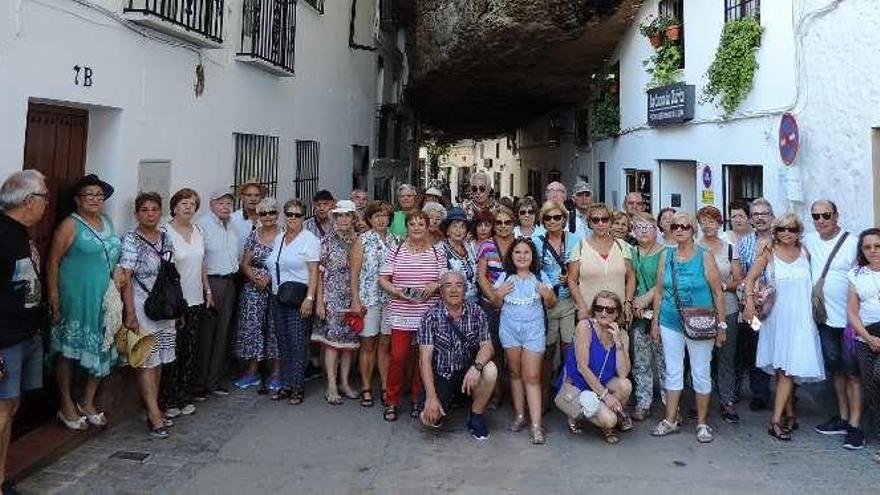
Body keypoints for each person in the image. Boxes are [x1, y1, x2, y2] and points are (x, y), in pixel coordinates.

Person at [46, 174, 121, 430]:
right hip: (75, 297)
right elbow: (53, 261)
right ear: (78, 199)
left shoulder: (108, 222)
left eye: (99, 195)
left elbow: (113, 256)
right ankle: (66, 404)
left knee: (101, 347)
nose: (95, 199)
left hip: (103, 298)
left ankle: (87, 401)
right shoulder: (70, 225)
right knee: (68, 349)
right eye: (89, 195)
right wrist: (54, 297)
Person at [744, 213, 825, 441]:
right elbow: (749, 279)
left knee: (789, 369)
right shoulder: (768, 254)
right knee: (785, 369)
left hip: (801, 320)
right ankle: (776, 421)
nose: (787, 233)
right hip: (776, 320)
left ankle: (788, 414)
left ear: (799, 231)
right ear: (775, 232)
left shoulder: (806, 254)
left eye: (792, 228)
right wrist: (750, 301)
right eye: (782, 229)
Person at [650, 211, 727, 443]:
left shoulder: (705, 256)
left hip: (700, 321)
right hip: (670, 320)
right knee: (673, 371)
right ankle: (670, 419)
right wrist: (655, 321)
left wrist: (721, 325)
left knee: (701, 372)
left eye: (684, 226)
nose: (680, 229)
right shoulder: (667, 256)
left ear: (693, 229)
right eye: (675, 226)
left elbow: (717, 293)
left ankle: (702, 423)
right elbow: (660, 292)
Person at [0, 170, 49, 488]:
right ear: (29, 201)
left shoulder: (21, 232)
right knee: (2, 411)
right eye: (45, 197)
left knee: (10, 407)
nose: (47, 204)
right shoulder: (2, 235)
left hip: (25, 334)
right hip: (5, 341)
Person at [119, 192, 178, 439]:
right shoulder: (132, 240)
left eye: (154, 209)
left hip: (164, 307)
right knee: (146, 361)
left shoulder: (166, 238)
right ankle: (154, 415)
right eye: (145, 210)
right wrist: (130, 312)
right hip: (142, 307)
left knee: (160, 359)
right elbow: (126, 277)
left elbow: (172, 274)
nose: (150, 214)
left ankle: (153, 406)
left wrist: (177, 308)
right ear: (137, 214)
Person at [379, 211, 446, 421]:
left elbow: (446, 280)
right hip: (402, 312)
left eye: (421, 224)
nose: (417, 228)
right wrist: (396, 291)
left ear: (427, 227)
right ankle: (392, 400)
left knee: (422, 359)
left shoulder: (437, 253)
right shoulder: (396, 250)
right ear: (407, 227)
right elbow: (383, 279)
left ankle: (418, 398)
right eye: (413, 224)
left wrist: (435, 285)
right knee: (398, 357)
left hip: (428, 315)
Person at [804, 200, 862, 443]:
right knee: (836, 370)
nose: (821, 220)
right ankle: (842, 416)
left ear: (836, 215)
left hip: (850, 321)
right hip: (825, 320)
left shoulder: (852, 242)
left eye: (826, 215)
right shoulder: (809, 239)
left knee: (854, 373)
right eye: (815, 216)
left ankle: (855, 426)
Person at [417, 271, 497, 441]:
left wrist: (476, 368)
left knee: (490, 370)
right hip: (442, 373)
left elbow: (487, 347)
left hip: (467, 372)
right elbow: (424, 360)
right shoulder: (430, 316)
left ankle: (476, 415)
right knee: (429, 419)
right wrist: (431, 397)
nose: (454, 290)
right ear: (441, 290)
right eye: (448, 285)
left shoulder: (476, 311)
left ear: (465, 289)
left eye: (459, 285)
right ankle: (444, 401)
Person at [491, 238, 556, 444]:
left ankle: (536, 425)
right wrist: (498, 295)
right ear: (511, 256)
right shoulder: (505, 277)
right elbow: (495, 304)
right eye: (517, 252)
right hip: (509, 330)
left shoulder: (540, 277)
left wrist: (548, 296)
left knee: (533, 375)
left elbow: (552, 303)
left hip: (533, 330)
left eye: (526, 252)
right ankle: (520, 415)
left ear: (532, 256)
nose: (522, 256)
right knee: (514, 372)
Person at [160, 188, 211, 419]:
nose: (188, 207)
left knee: (190, 349)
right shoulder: (165, 232)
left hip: (196, 299)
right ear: (174, 206)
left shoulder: (198, 230)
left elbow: (201, 263)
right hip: (174, 301)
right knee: (172, 350)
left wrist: (207, 289)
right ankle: (168, 399)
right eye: (183, 203)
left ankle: (183, 395)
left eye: (192, 203)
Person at [559, 291, 632, 444]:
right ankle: (581, 414)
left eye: (609, 310)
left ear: (617, 313)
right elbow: (582, 367)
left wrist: (618, 343)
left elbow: (623, 373)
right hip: (579, 384)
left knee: (625, 385)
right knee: (611, 420)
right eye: (599, 308)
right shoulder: (585, 327)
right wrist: (606, 396)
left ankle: (599, 414)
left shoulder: (622, 334)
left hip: (602, 381)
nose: (603, 312)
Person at [269, 199, 320, 405]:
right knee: (283, 342)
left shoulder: (310, 239)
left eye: (297, 215)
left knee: (297, 342)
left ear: (303, 217)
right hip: (278, 295)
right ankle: (286, 384)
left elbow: (314, 271)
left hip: (299, 297)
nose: (292, 218)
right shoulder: (279, 238)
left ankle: (297, 387)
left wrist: (310, 298)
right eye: (289, 214)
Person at [696, 206, 743, 424]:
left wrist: (721, 286)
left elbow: (738, 280)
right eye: (703, 221)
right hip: (701, 310)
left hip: (729, 308)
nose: (708, 225)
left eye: (712, 221)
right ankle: (700, 400)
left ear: (719, 224)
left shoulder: (730, 249)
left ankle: (727, 400)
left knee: (726, 357)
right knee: (701, 358)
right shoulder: (694, 248)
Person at [350, 201, 399, 408]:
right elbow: (354, 273)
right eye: (376, 216)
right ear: (369, 219)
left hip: (390, 300)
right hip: (368, 299)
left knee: (385, 345)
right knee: (368, 344)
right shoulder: (363, 240)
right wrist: (355, 299)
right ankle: (367, 387)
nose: (381, 219)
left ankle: (386, 387)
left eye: (384, 215)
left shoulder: (397, 240)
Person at [313, 200, 361, 404]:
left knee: (348, 344)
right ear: (335, 218)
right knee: (332, 345)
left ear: (353, 218)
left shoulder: (359, 240)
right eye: (339, 215)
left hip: (353, 297)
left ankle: (344, 383)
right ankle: (331, 385)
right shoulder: (327, 241)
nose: (343, 219)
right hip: (331, 297)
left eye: (347, 215)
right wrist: (319, 302)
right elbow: (319, 272)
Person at [194, 189, 240, 400]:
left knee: (223, 334)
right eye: (221, 203)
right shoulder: (203, 225)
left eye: (228, 203)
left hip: (229, 281)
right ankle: (201, 383)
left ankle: (214, 380)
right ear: (211, 204)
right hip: (211, 283)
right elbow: (201, 259)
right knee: (207, 335)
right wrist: (207, 289)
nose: (225, 207)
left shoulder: (230, 224)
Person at [533, 200, 579, 404]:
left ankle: (567, 393)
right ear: (543, 221)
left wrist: (571, 275)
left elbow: (580, 269)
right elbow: (533, 270)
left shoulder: (575, 240)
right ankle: (543, 397)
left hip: (569, 301)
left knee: (569, 348)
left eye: (557, 217)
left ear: (564, 219)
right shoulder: (536, 241)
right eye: (548, 218)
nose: (553, 221)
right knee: (548, 350)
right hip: (548, 303)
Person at [233, 198, 280, 392]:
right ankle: (252, 372)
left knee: (275, 330)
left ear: (277, 214)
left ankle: (276, 373)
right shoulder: (254, 235)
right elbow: (245, 263)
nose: (267, 217)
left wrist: (269, 278)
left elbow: (288, 261)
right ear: (259, 216)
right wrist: (255, 278)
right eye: (263, 213)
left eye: (271, 212)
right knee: (253, 329)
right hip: (253, 288)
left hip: (277, 287)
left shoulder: (284, 235)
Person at [568, 203, 635, 325]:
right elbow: (572, 280)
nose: (600, 223)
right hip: (589, 314)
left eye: (604, 219)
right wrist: (581, 306)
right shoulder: (579, 247)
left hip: (616, 314)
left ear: (610, 222)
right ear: (589, 223)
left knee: (619, 343)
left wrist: (628, 303)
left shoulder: (622, 246)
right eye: (595, 220)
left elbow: (630, 277)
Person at [476, 206, 517, 406]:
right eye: (498, 222)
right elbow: (481, 277)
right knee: (494, 349)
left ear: (513, 223)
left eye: (507, 222)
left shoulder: (520, 244)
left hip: (515, 305)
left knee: (512, 350)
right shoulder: (486, 245)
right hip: (490, 304)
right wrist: (494, 299)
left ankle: (513, 392)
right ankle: (496, 392)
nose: (502, 226)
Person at [738, 198, 775, 411]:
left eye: (764, 214)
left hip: (778, 305)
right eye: (755, 215)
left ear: (771, 216)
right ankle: (759, 392)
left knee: (778, 345)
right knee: (755, 345)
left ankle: (786, 392)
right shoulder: (745, 243)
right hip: (754, 307)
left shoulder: (781, 239)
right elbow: (744, 274)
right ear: (751, 219)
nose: (760, 218)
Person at [629, 212, 667, 421]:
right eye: (638, 227)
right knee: (641, 361)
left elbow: (663, 282)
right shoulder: (630, 251)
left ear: (656, 229)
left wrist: (645, 298)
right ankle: (643, 402)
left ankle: (669, 403)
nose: (643, 231)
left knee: (664, 361)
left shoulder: (665, 252)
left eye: (648, 227)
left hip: (661, 312)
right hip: (637, 315)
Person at [847, 228, 880, 460]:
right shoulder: (856, 274)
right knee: (871, 390)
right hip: (865, 336)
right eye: (867, 247)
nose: (872, 251)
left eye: (877, 246)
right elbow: (852, 312)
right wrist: (868, 338)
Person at [439, 207, 478, 304]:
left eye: (462, 226)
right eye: (454, 226)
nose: (458, 230)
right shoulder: (440, 249)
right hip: (452, 302)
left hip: (474, 301)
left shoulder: (469, 247)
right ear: (447, 230)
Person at [230, 180, 266, 254]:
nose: (253, 199)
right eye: (249, 195)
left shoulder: (267, 218)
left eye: (257, 195)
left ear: (261, 197)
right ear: (242, 197)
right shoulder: (232, 219)